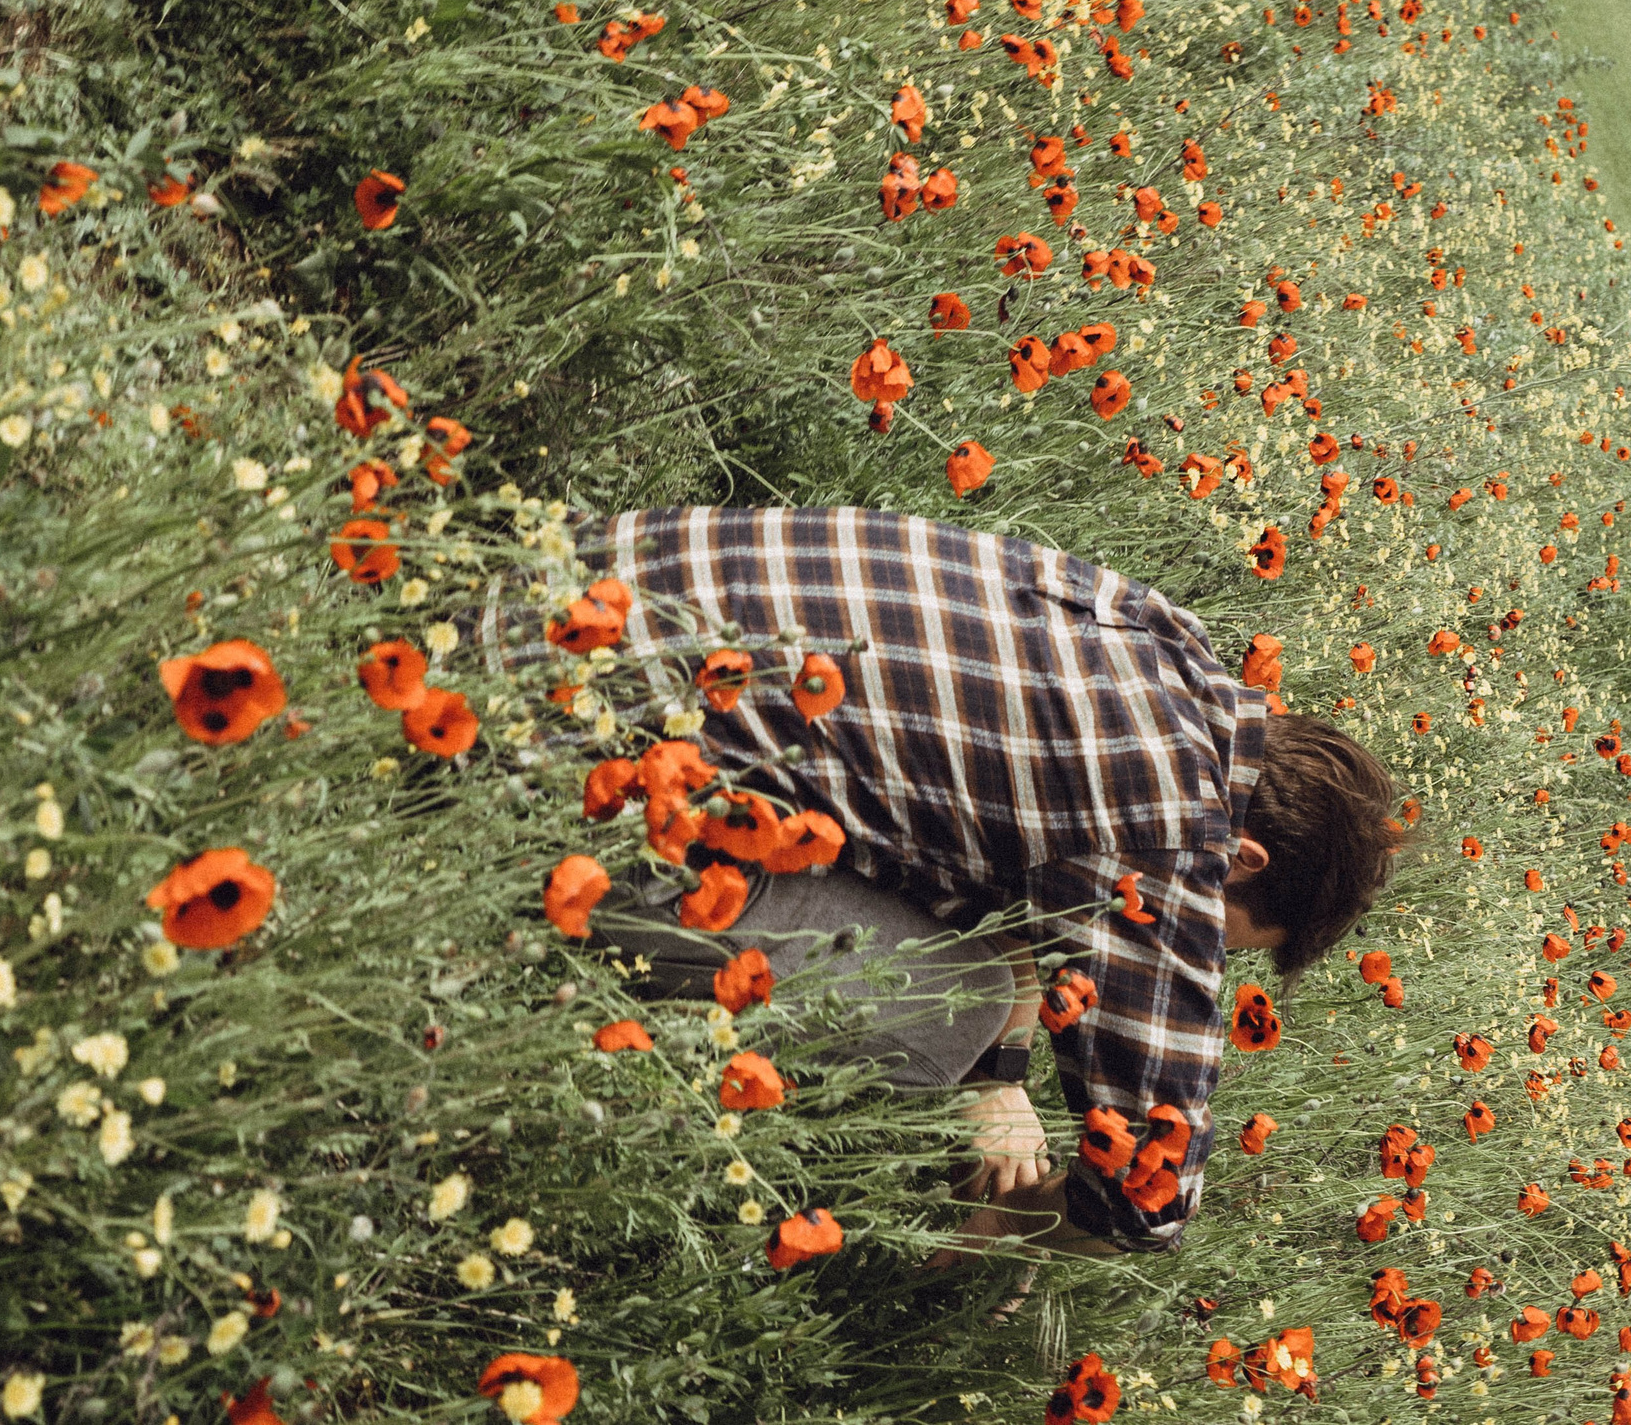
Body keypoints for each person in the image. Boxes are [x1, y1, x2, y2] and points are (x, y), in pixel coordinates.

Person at [496, 505, 1402, 1257]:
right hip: (550, 776)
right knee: (952, 1003)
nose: (1201, 940)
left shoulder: (1167, 645)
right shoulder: (1170, 832)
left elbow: (996, 864)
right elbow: (1146, 1206)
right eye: (1222, 930)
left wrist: (999, 1078)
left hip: (545, 587)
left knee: (985, 974)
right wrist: (994, 1230)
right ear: (1244, 862)